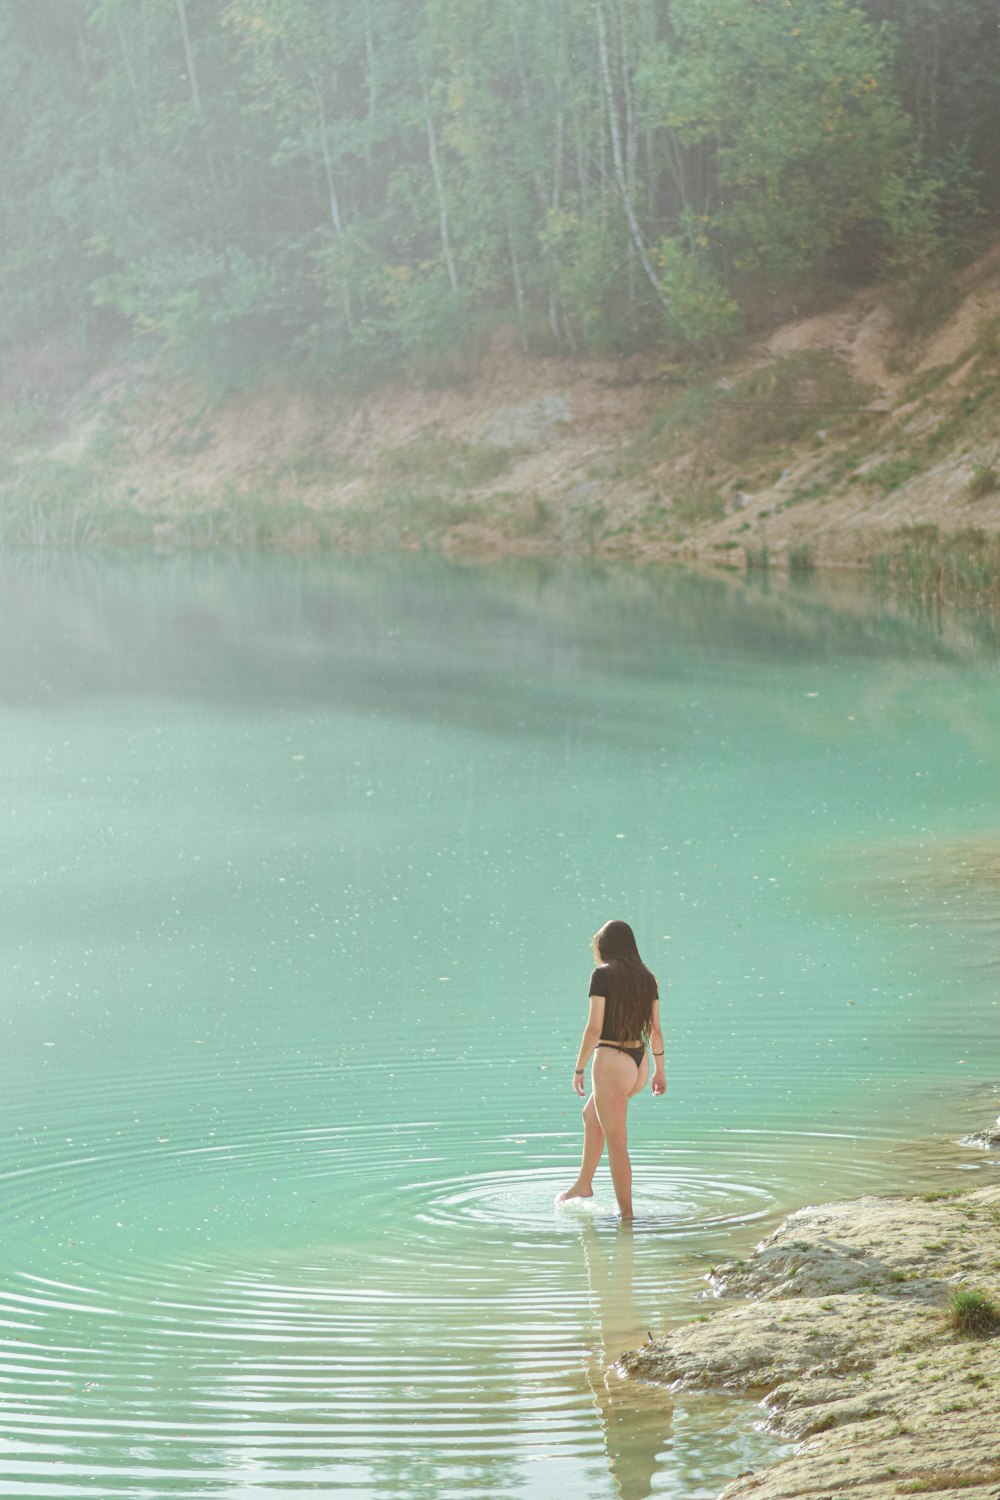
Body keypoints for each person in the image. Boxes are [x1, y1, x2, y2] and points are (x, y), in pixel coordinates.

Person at [557, 919, 665, 1219]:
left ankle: (627, 1216)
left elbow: (593, 1028)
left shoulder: (602, 975)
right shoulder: (647, 978)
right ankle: (583, 1184)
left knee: (617, 1143)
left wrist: (578, 1068)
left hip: (612, 1061)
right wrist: (659, 1070)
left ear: (603, 948)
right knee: (591, 1116)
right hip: (639, 1062)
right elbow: (655, 1031)